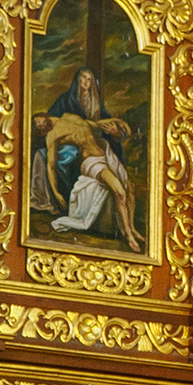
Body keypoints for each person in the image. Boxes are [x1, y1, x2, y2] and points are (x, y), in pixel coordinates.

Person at [34, 68, 142, 252]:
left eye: (88, 78)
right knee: (119, 192)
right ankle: (128, 236)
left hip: (105, 152)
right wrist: (56, 192)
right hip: (90, 160)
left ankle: (132, 228)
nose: (41, 123)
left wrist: (118, 128)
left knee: (129, 188)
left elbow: (95, 124)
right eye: (38, 125)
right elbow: (51, 166)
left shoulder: (70, 117)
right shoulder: (53, 133)